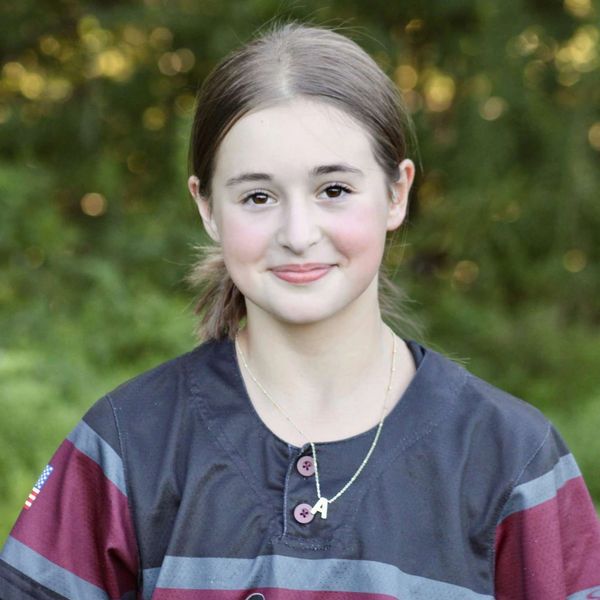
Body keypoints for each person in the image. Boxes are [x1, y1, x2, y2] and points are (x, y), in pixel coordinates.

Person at [1, 19, 599, 600]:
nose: (297, 233)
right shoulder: (128, 443)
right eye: (258, 196)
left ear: (396, 193)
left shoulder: (510, 458)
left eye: (333, 190)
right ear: (207, 208)